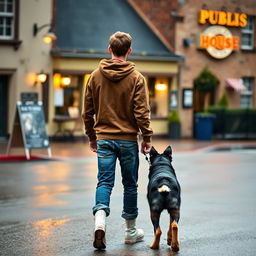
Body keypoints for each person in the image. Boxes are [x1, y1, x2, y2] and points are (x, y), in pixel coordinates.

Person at [82, 31, 153, 250]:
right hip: (128, 141)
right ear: (129, 51)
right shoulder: (137, 78)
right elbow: (142, 112)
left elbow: (87, 112)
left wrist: (92, 137)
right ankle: (131, 232)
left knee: (104, 182)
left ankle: (100, 223)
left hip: (104, 139)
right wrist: (146, 138)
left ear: (109, 49)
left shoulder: (94, 76)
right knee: (130, 184)